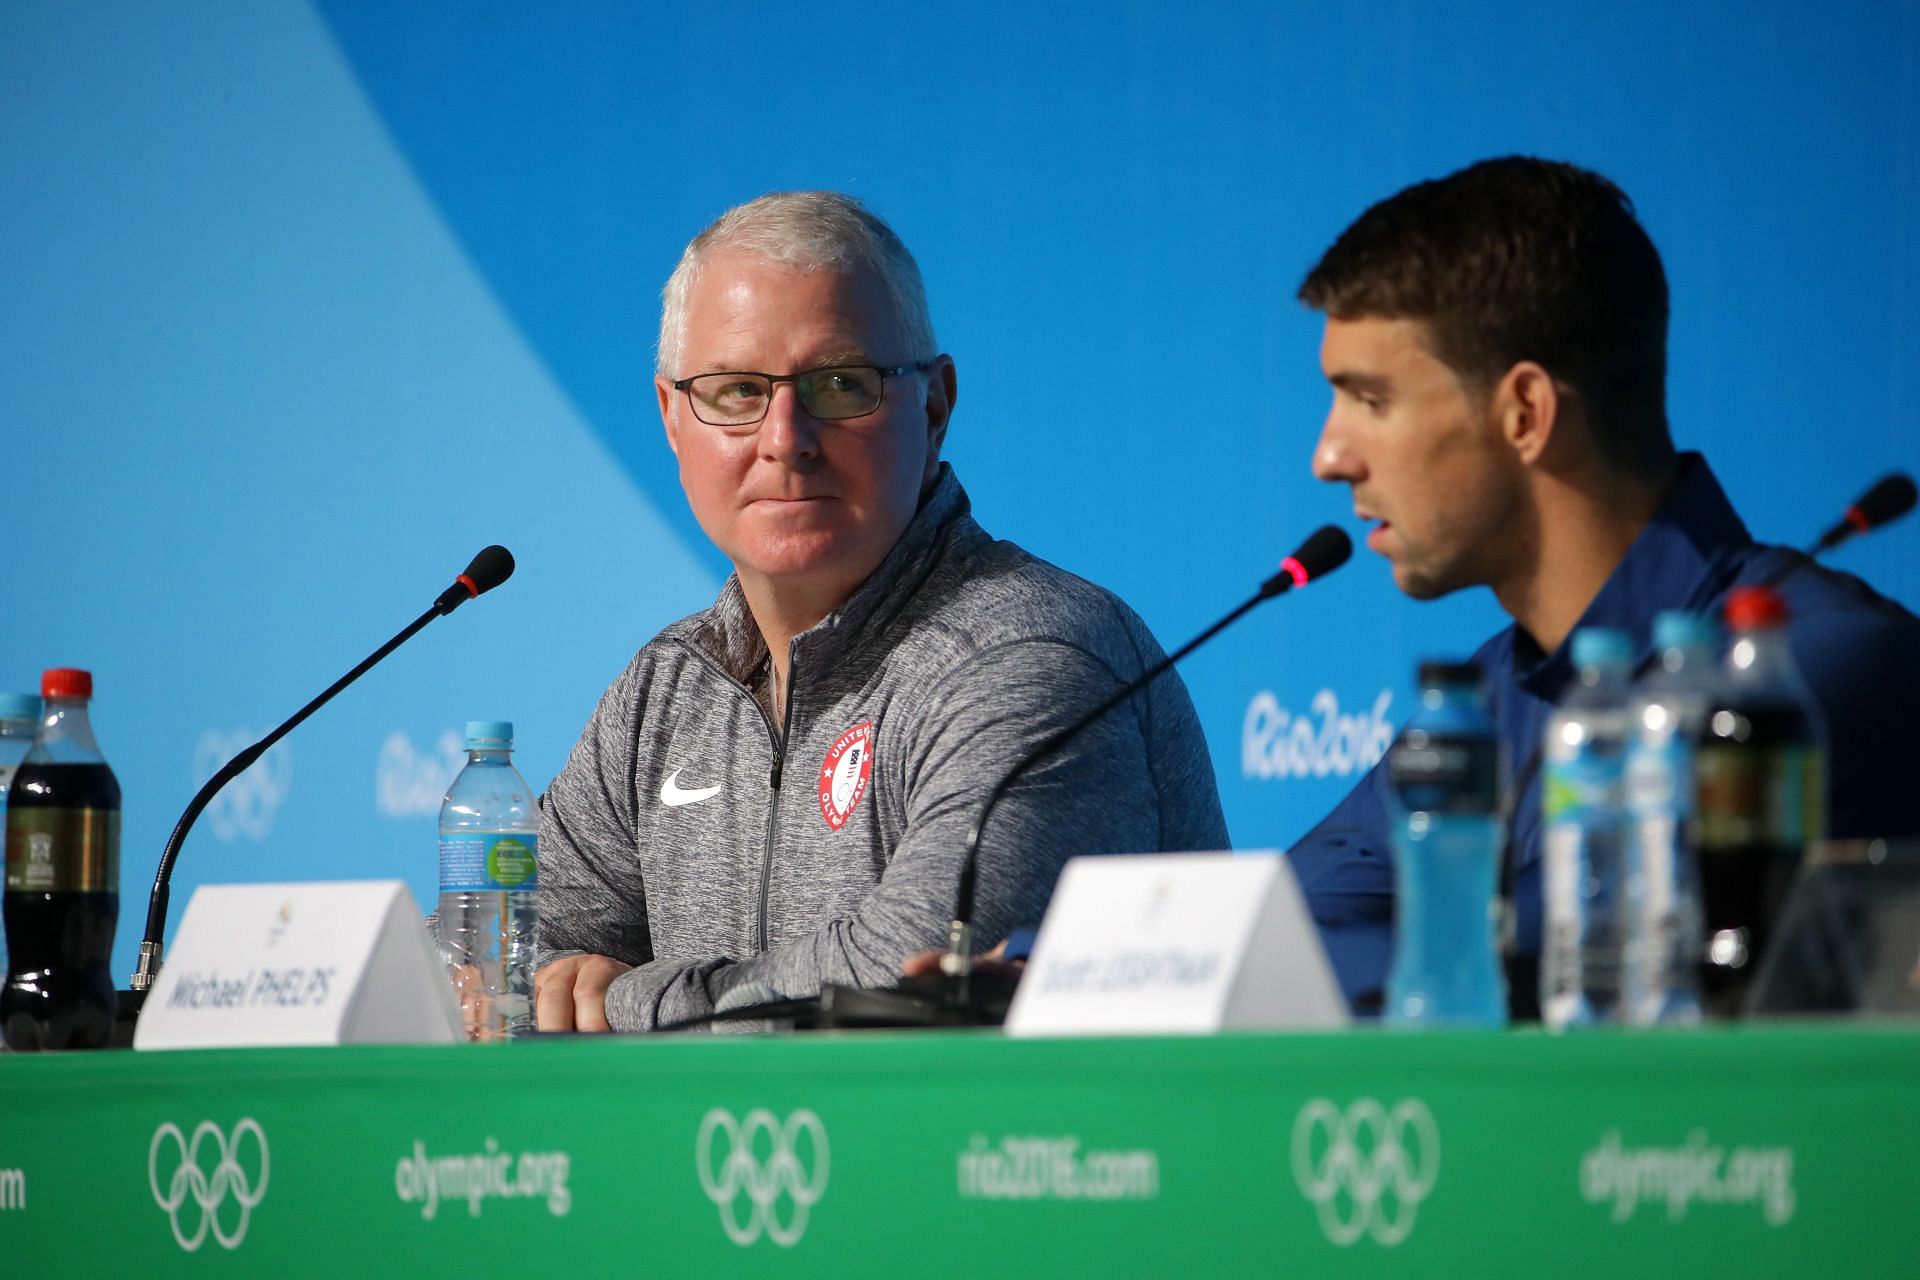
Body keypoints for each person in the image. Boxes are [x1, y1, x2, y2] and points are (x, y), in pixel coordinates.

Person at [535, 191, 1228, 1032]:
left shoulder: (1028, 653)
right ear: (673, 418)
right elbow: (488, 957)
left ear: (933, 407)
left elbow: (904, 984)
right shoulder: (665, 693)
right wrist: (546, 990)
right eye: (735, 391)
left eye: (839, 385)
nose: (786, 437)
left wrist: (624, 998)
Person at [1286, 156, 1920, 1014]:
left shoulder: (1801, 678)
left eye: (1369, 400)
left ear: (1525, 414)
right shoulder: (1504, 686)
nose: (1330, 457)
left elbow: (1591, 957)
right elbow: (1284, 920)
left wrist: (1428, 962)